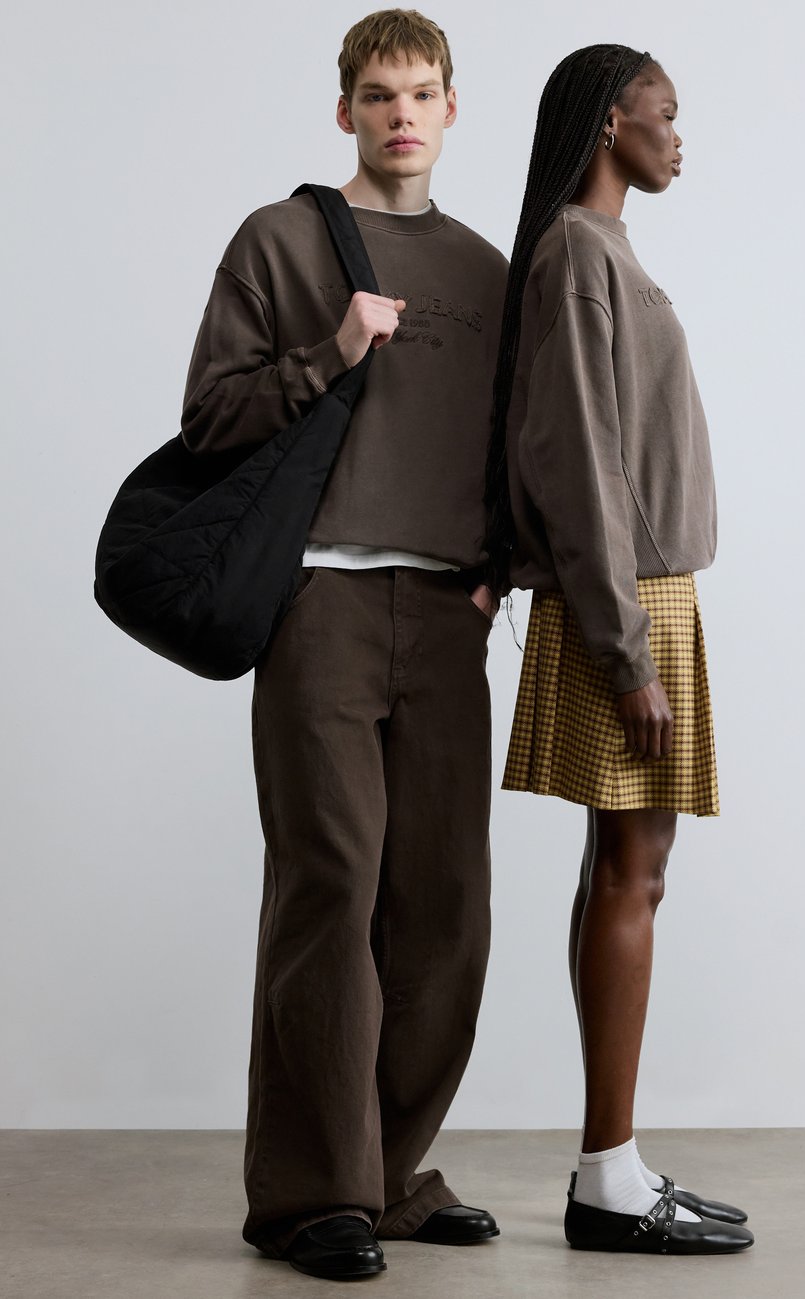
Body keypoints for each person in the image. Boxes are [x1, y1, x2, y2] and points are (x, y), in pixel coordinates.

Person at [181, 9, 506, 1282]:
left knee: (447, 910)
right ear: (345, 112)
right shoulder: (279, 240)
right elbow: (210, 417)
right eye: (378, 95)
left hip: (447, 613)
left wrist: (503, 569)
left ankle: (389, 1171)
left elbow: (518, 443)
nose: (401, 115)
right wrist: (332, 351)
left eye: (421, 93)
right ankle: (311, 1198)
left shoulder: (487, 269)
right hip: (317, 602)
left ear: (452, 108)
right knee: (332, 885)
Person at [485, 45, 755, 1255]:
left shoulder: (601, 249)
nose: (679, 136)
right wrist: (626, 649)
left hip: (646, 597)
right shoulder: (575, 254)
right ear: (610, 122)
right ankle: (606, 1178)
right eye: (665, 114)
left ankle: (617, 1165)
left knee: (630, 868)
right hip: (624, 603)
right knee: (629, 872)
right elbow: (574, 457)